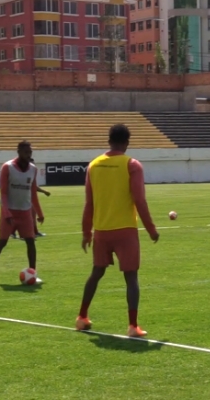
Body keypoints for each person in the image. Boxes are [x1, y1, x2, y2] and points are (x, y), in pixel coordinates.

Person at [76, 124, 159, 338]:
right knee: (131, 277)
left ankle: (82, 317)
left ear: (109, 140)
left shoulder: (94, 165)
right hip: (125, 230)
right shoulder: (132, 165)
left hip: (102, 230)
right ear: (127, 142)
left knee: (96, 273)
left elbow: (89, 203)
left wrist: (87, 233)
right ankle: (132, 326)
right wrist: (151, 229)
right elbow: (139, 200)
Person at [0, 141, 44, 284]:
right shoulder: (8, 167)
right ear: (19, 152)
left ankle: (32, 272)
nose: (28, 155)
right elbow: (3, 193)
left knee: (31, 242)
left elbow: (33, 194)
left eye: (30, 152)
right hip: (9, 211)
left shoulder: (33, 169)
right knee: (2, 242)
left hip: (25, 212)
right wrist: (6, 213)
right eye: (26, 152)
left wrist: (39, 212)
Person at [11, 158, 50, 240]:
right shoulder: (23, 174)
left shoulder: (30, 173)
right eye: (31, 163)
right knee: (25, 217)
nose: (33, 165)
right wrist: (45, 191)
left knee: (31, 216)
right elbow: (34, 187)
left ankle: (34, 232)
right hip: (24, 198)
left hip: (29, 198)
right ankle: (15, 232)